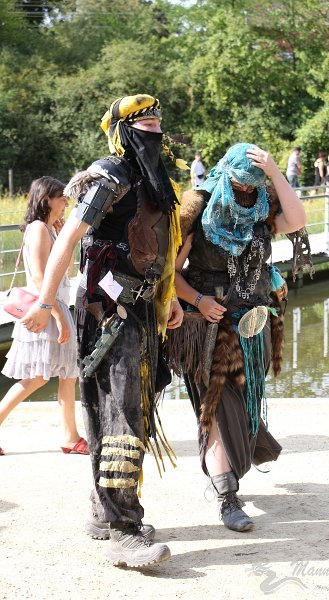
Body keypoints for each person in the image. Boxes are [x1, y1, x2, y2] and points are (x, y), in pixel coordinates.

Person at [21, 94, 184, 568]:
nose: (155, 130)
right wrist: (45, 301)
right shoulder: (109, 175)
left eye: (158, 122)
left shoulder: (156, 180)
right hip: (107, 312)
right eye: (144, 124)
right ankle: (124, 531)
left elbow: (161, 247)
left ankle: (102, 511)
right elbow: (70, 238)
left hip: (144, 308)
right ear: (122, 132)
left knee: (133, 408)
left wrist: (169, 297)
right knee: (120, 414)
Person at [168, 143, 310, 533]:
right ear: (225, 174)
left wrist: (275, 172)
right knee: (215, 407)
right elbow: (168, 272)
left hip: (254, 324)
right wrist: (197, 300)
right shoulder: (198, 206)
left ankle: (230, 472)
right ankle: (227, 498)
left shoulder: (264, 205)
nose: (246, 190)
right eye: (240, 183)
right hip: (208, 326)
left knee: (246, 404)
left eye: (254, 184)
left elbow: (297, 219)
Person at [0, 177, 87, 457]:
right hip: (47, 310)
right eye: (62, 198)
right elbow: (39, 278)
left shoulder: (47, 229)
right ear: (47, 199)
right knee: (38, 377)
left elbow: (67, 271)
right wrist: (59, 316)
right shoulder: (38, 228)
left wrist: (64, 239)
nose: (65, 205)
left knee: (66, 374)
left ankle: (70, 436)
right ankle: (70, 436)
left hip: (53, 307)